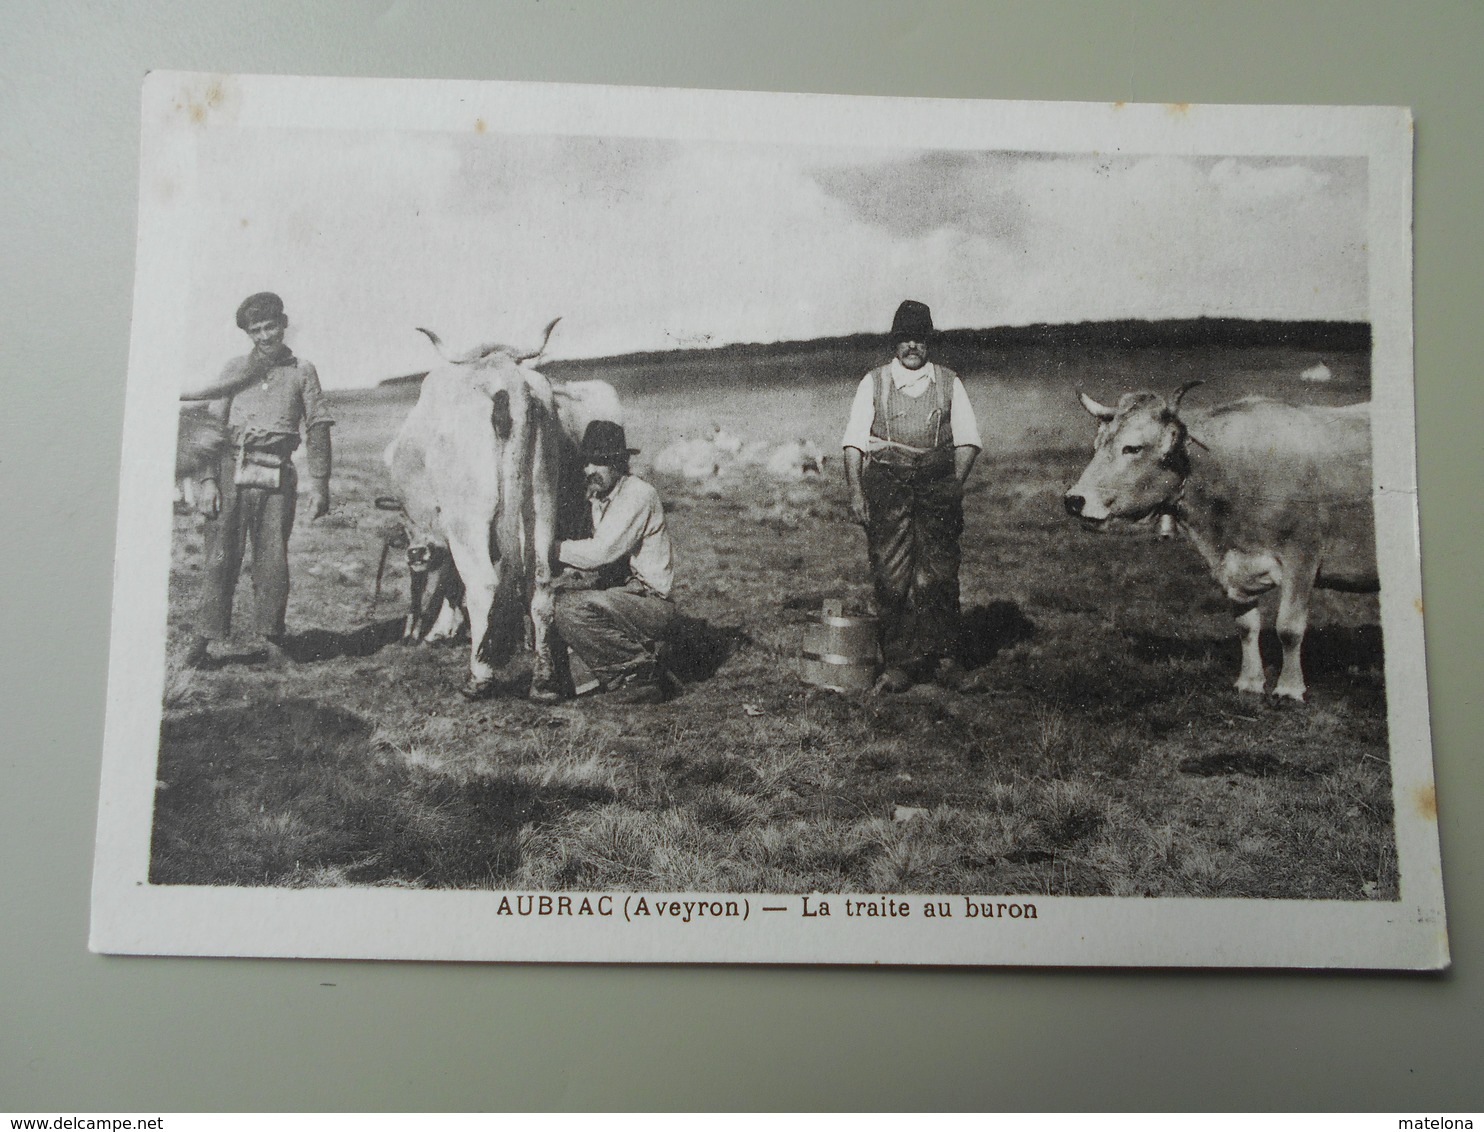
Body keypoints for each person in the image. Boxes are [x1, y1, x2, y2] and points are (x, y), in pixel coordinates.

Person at [179, 292, 334, 668]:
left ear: (283, 324)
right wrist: (207, 481)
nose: (265, 336)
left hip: (278, 477)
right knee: (220, 559)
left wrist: (320, 482)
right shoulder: (235, 369)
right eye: (256, 330)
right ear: (248, 333)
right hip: (231, 473)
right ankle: (203, 641)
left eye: (271, 327)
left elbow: (317, 426)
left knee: (273, 561)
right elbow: (210, 429)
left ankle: (273, 640)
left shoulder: (303, 371)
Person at [841, 299, 984, 693]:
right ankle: (900, 664)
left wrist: (953, 484)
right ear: (895, 343)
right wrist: (856, 493)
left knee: (938, 574)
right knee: (891, 576)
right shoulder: (874, 382)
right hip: (887, 488)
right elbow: (854, 443)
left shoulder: (949, 381)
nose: (912, 347)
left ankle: (945, 660)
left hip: (937, 489)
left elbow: (969, 440)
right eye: (905, 339)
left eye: (919, 339)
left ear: (929, 342)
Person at [547, 421, 676, 705]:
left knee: (568, 609)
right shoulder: (600, 499)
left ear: (620, 462)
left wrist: (547, 548)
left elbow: (600, 553)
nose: (590, 470)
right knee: (554, 601)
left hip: (650, 603)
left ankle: (640, 674)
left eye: (601, 462)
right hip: (624, 598)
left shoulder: (637, 495)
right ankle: (589, 678)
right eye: (586, 462)